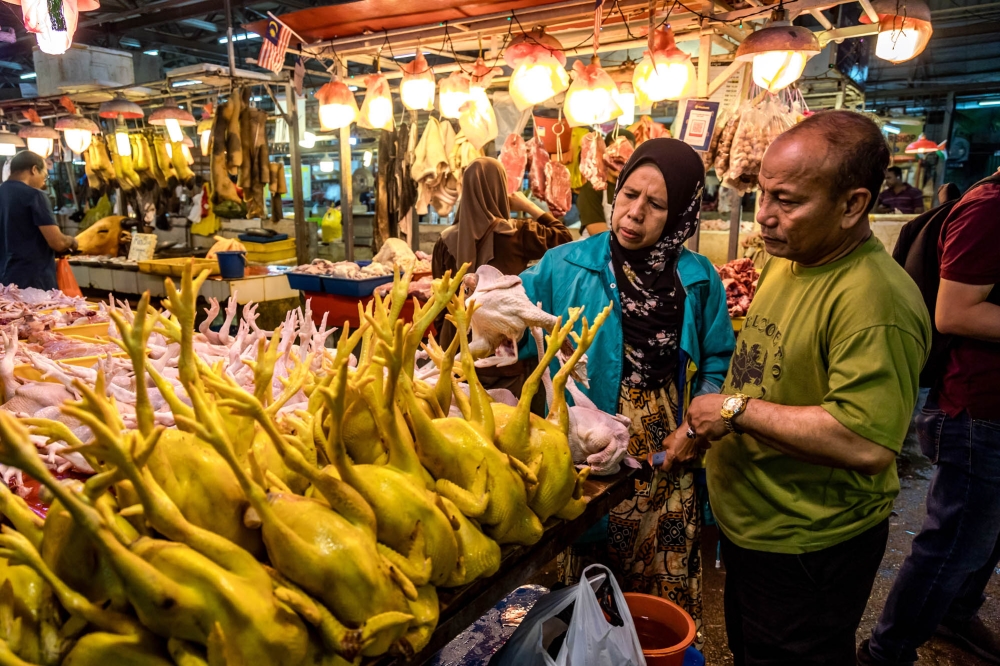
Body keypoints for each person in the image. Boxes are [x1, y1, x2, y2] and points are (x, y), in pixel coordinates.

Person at [683, 111, 931, 665]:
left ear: (852, 205)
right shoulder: (790, 259)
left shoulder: (875, 301)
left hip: (809, 548)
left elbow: (865, 442)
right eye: (763, 193)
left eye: (787, 201)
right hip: (756, 530)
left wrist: (734, 408)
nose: (765, 216)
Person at [520, 138, 735, 646]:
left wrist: (693, 429)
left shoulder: (697, 279)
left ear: (680, 212)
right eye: (628, 194)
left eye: (655, 204)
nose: (634, 212)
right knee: (586, 589)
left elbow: (719, 359)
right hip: (587, 453)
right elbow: (512, 329)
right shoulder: (562, 265)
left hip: (669, 456)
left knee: (658, 598)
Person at [859, 170, 1000, 666]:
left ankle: (956, 612)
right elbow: (954, 312)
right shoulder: (989, 208)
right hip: (976, 409)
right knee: (954, 542)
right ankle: (886, 651)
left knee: (985, 536)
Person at [431, 157, 570, 280]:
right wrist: (529, 206)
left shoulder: (444, 241)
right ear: (500, 188)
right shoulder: (518, 232)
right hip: (509, 310)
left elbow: (439, 293)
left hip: (457, 310)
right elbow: (565, 240)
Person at [0, 151, 77, 290]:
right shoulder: (35, 196)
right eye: (45, 176)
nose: (43, 182)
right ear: (34, 169)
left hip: (3, 282)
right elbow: (57, 243)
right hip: (32, 283)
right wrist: (72, 242)